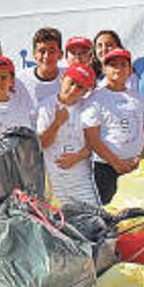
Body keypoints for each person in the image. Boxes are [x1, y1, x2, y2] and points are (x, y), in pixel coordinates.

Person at [83, 48, 144, 204]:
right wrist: (116, 163)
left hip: (137, 167)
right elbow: (92, 137)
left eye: (123, 64)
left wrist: (140, 158)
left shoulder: (139, 98)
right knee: (111, 214)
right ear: (104, 69)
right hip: (106, 168)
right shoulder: (95, 98)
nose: (118, 68)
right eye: (113, 64)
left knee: (137, 212)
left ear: (130, 70)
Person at [37, 62, 98, 206]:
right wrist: (57, 122)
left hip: (81, 179)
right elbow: (42, 143)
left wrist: (77, 157)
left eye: (80, 87)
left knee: (94, 221)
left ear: (85, 92)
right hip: (55, 181)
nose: (73, 89)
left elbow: (95, 142)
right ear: (62, 78)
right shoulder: (45, 107)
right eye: (71, 82)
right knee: (59, 224)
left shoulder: (89, 107)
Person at [16, 27, 65, 110]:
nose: (46, 56)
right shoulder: (20, 80)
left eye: (52, 51)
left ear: (60, 54)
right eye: (42, 51)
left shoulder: (69, 78)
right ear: (34, 54)